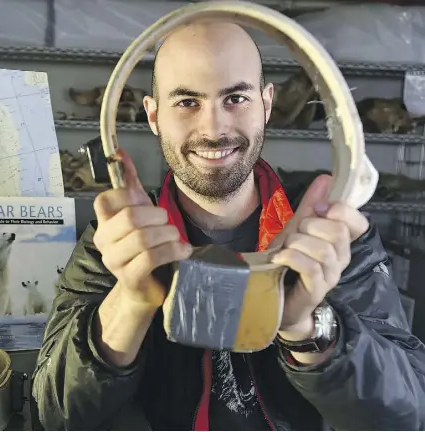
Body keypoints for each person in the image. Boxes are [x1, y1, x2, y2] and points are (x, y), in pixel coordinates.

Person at [31, 20, 425, 431]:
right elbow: (52, 416)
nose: (214, 129)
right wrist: (129, 301)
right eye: (187, 102)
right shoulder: (115, 242)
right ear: (153, 115)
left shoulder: (330, 237)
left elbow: (406, 415)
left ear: (267, 103)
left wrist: (308, 327)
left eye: (235, 97)